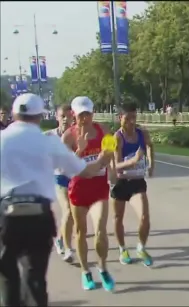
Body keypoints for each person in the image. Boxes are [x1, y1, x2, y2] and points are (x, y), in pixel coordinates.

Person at [0, 93, 113, 306]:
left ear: (14, 114)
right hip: (38, 215)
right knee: (34, 277)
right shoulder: (49, 142)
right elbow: (83, 171)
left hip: (6, 215)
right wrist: (100, 162)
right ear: (41, 116)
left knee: (7, 277)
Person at [61, 96, 116, 291]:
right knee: (81, 232)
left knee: (100, 229)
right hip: (78, 190)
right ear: (74, 115)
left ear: (93, 113)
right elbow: (66, 168)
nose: (85, 118)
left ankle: (102, 267)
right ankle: (85, 271)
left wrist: (100, 162)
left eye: (88, 114)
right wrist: (79, 152)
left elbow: (109, 153)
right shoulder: (68, 137)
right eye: (81, 115)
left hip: (99, 188)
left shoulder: (105, 131)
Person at [111, 103, 155, 266]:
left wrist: (151, 164)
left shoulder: (142, 133)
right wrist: (133, 161)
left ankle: (141, 247)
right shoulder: (116, 137)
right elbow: (115, 165)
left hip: (137, 181)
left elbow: (150, 146)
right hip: (121, 183)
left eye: (134, 118)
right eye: (127, 118)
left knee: (145, 216)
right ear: (119, 118)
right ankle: (122, 249)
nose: (131, 122)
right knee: (118, 218)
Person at [44, 104, 76, 262]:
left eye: (68, 116)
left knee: (76, 215)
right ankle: (68, 248)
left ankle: (60, 238)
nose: (65, 119)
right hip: (59, 178)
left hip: (76, 179)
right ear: (56, 117)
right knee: (68, 211)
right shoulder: (48, 136)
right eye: (62, 116)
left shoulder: (76, 134)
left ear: (73, 116)